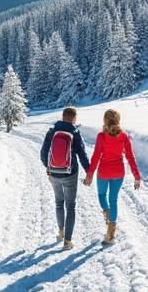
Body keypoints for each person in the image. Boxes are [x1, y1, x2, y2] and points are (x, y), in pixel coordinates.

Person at [82, 109, 142, 246]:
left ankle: (107, 213)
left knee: (102, 195)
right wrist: (136, 176)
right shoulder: (124, 136)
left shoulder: (101, 136)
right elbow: (130, 157)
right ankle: (111, 232)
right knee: (113, 199)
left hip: (103, 172)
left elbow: (96, 156)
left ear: (105, 120)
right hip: (118, 172)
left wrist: (90, 174)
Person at [40, 106, 91, 250]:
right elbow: (82, 154)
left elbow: (43, 152)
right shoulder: (75, 132)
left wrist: (48, 168)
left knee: (58, 203)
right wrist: (89, 172)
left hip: (54, 173)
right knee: (70, 206)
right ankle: (67, 241)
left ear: (62, 117)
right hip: (70, 173)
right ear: (74, 119)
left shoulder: (52, 131)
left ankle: (61, 232)